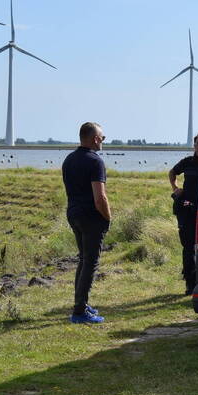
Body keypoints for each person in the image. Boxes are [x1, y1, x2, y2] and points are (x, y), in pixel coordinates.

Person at [61, 122, 111, 324]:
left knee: (83, 260)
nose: (103, 141)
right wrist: (108, 217)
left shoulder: (69, 159)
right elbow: (100, 197)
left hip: (74, 214)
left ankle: (81, 304)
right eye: (103, 137)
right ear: (95, 139)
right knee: (90, 263)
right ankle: (79, 312)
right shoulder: (95, 161)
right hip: (91, 217)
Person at [168, 132, 198, 294]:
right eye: (196, 144)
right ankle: (189, 282)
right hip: (187, 208)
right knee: (188, 246)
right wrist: (176, 188)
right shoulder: (187, 162)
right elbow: (172, 173)